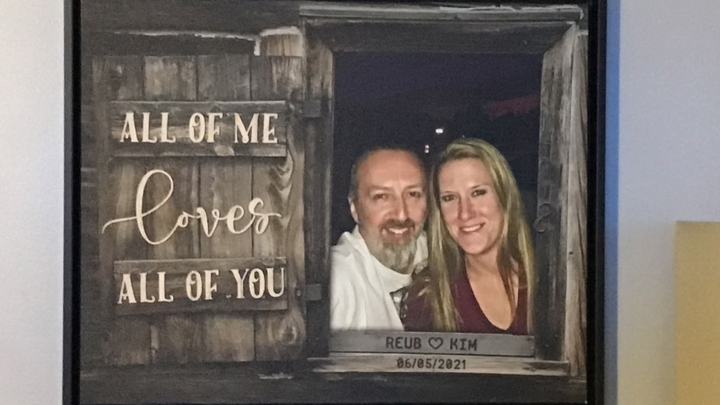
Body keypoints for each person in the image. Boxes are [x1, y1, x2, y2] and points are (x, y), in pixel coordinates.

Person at [403, 138, 534, 334]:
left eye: (478, 193)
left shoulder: (555, 279)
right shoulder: (428, 298)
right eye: (449, 198)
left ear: (505, 197)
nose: (465, 213)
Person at [330, 148, 428, 331]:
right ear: (354, 208)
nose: (401, 214)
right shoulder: (337, 278)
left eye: (413, 194)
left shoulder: (447, 262)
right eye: (382, 197)